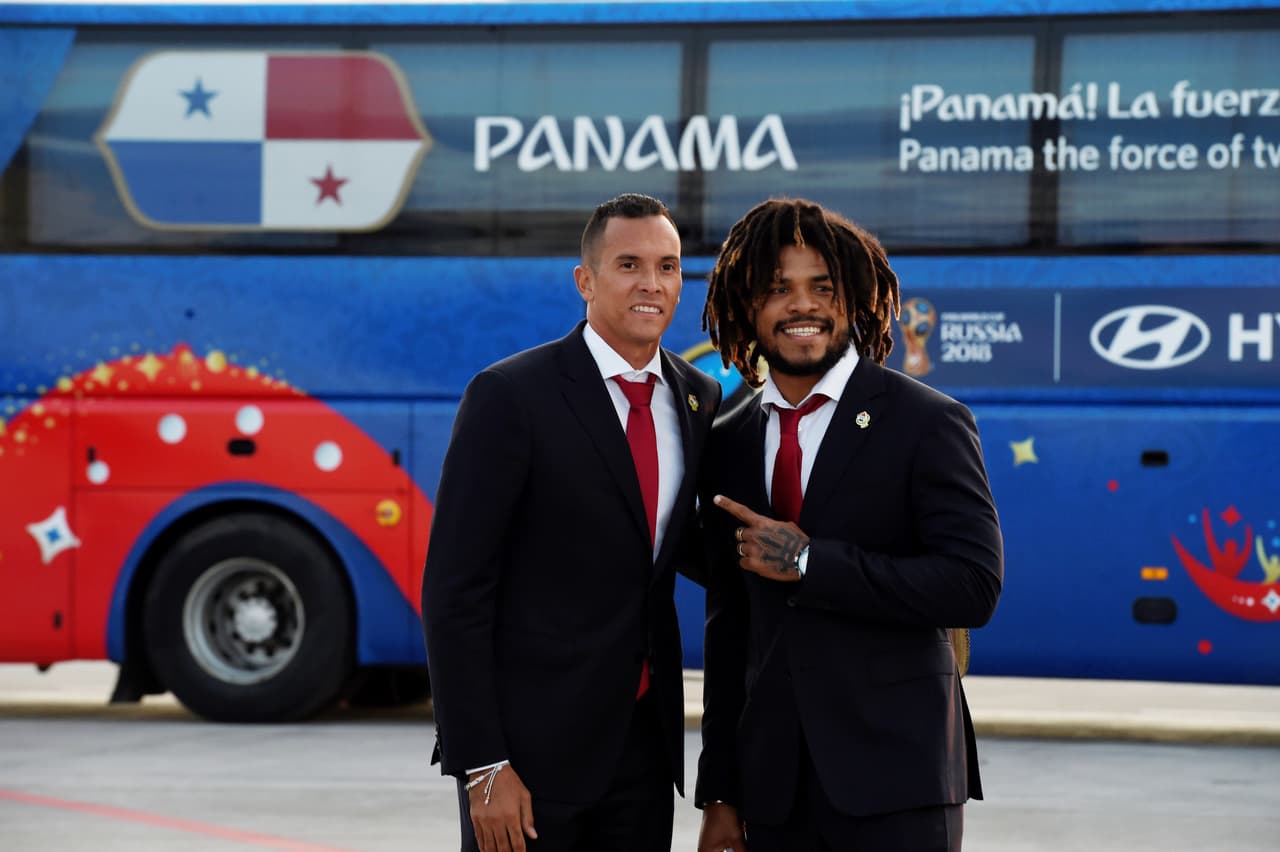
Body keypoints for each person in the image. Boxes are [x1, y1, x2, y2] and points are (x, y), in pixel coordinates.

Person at [694, 198, 1003, 852]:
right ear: (748, 306)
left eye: (821, 288)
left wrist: (811, 564)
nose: (801, 305)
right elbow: (729, 628)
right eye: (778, 289)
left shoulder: (926, 422)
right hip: (773, 792)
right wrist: (720, 792)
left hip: (899, 781)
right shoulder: (727, 439)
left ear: (856, 301)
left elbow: (974, 586)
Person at [422, 193, 721, 852]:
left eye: (668, 267)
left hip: (644, 755)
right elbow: (454, 593)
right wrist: (483, 764)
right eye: (629, 264)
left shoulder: (698, 398)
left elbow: (677, 550)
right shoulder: (510, 396)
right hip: (529, 759)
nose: (652, 283)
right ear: (585, 280)